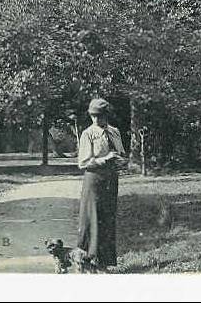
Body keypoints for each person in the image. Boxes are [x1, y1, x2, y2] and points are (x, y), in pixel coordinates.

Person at [76, 97, 126, 271]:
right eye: (93, 116)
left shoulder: (115, 132)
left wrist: (121, 161)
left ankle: (104, 263)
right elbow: (83, 163)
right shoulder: (88, 134)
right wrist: (105, 159)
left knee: (108, 219)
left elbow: (120, 153)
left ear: (107, 115)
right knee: (92, 220)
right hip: (94, 180)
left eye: (100, 116)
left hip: (111, 180)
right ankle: (87, 261)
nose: (96, 119)